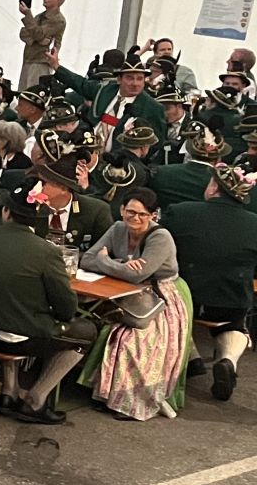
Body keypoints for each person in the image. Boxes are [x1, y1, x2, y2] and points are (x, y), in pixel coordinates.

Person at [0, 187, 96, 424]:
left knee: (11, 313)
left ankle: (8, 391)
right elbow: (66, 308)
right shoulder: (46, 251)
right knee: (86, 331)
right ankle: (36, 399)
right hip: (14, 337)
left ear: (6, 212)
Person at [80, 187, 189, 420]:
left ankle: (130, 401)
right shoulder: (117, 228)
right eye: (130, 212)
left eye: (142, 214)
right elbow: (87, 259)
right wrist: (120, 265)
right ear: (122, 210)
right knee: (98, 320)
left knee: (131, 339)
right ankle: (103, 391)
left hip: (159, 296)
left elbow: (138, 275)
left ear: (153, 215)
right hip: (123, 291)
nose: (135, 218)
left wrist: (106, 260)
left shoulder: (161, 237)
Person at [162, 162, 257, 402]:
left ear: (214, 187)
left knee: (173, 311)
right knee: (235, 324)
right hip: (230, 301)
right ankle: (228, 360)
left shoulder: (180, 212)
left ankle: (192, 358)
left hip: (184, 298)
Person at [18, 0, 67, 89]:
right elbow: (24, 33)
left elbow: (38, 34)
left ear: (58, 1)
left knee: (33, 92)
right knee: (24, 92)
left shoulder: (58, 20)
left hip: (41, 61)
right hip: (29, 59)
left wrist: (28, 15)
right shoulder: (40, 16)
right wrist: (38, 38)